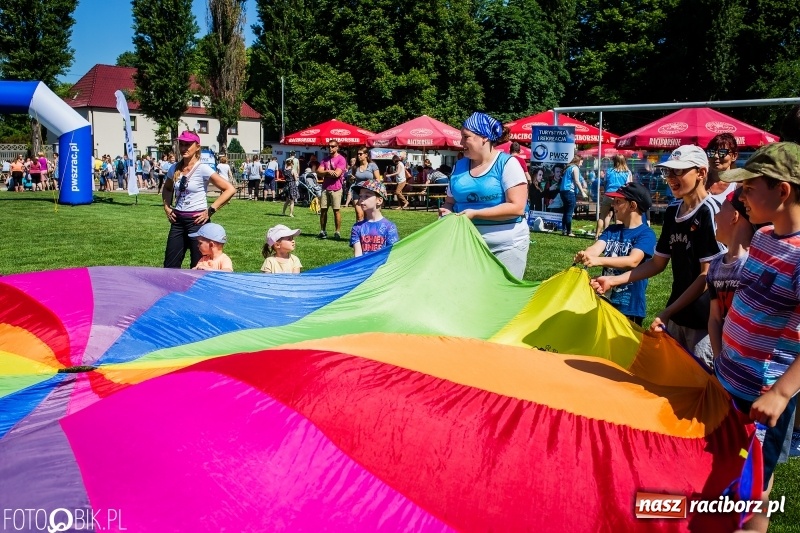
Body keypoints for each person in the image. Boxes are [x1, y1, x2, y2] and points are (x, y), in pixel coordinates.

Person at [712, 143, 800, 533]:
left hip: (764, 396)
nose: (741, 196)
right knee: (724, 470)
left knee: (755, 489)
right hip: (730, 379)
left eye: (749, 188)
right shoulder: (763, 237)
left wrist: (781, 393)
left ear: (782, 191)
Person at [591, 145, 723, 360]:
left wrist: (668, 311)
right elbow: (657, 263)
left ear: (701, 173)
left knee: (701, 383)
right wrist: (613, 281)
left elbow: (706, 276)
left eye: (678, 171)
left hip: (705, 321)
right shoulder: (673, 210)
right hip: (677, 315)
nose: (670, 177)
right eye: (668, 171)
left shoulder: (711, 211)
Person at [438, 111, 529, 278]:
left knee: (502, 298)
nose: (461, 142)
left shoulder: (508, 164)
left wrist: (476, 214)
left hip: (506, 245)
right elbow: (449, 202)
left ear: (484, 138)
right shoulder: (459, 166)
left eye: (466, 137)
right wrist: (446, 211)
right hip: (465, 243)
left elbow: (517, 207)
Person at [575, 182, 656, 326]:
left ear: (632, 206)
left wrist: (598, 261)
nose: (614, 206)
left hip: (629, 308)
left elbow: (633, 261)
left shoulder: (646, 234)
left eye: (618, 202)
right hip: (605, 301)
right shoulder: (611, 230)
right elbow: (595, 248)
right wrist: (586, 254)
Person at [161, 130, 235, 269]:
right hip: (177, 221)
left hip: (197, 221)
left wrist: (211, 210)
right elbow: (167, 189)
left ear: (197, 146)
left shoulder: (203, 169)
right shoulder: (174, 168)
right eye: (181, 144)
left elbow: (230, 189)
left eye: (188, 145)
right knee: (170, 265)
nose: (184, 148)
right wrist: (167, 207)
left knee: (199, 265)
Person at [705, 188, 754, 364]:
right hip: (726, 363)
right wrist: (719, 360)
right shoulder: (716, 265)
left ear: (734, 216)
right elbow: (715, 319)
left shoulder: (754, 265)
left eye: (720, 211)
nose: (715, 217)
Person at [350, 179, 399, 257]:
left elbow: (393, 254)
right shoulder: (357, 227)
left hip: (383, 268)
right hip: (364, 268)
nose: (361, 199)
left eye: (367, 196)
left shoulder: (390, 227)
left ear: (379, 201)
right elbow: (358, 256)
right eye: (360, 196)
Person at [596, 154, 633, 239]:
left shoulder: (609, 171)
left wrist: (605, 192)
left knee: (603, 216)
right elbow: (630, 185)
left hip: (608, 194)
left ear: (614, 161)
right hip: (620, 196)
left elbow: (604, 183)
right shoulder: (627, 172)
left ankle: (597, 235)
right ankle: (617, 236)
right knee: (618, 217)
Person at [317, 140, 347, 239]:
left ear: (337, 147)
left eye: (333, 146)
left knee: (336, 210)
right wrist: (328, 171)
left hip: (336, 188)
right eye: (329, 146)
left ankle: (337, 232)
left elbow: (337, 174)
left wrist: (324, 172)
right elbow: (318, 172)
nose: (330, 148)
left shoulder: (341, 159)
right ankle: (323, 231)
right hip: (325, 188)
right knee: (323, 210)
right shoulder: (325, 160)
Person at [559, 154, 589, 237]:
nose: (581, 164)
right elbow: (576, 181)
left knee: (566, 211)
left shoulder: (568, 168)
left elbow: (579, 179)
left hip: (563, 191)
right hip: (569, 191)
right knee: (569, 212)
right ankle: (569, 231)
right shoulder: (575, 168)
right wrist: (582, 191)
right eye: (581, 162)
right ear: (578, 161)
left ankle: (564, 230)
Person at [705, 133, 739, 204]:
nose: (716, 156)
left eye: (722, 152)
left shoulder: (738, 188)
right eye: (711, 152)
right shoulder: (699, 183)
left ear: (734, 156)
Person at [349, 146, 380, 223]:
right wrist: (351, 179)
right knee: (360, 215)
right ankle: (358, 233)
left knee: (367, 215)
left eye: (360, 154)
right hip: (357, 192)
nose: (358, 156)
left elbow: (378, 180)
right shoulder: (355, 167)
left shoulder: (372, 165)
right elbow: (352, 180)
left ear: (366, 155)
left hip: (368, 193)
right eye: (358, 154)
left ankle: (366, 233)